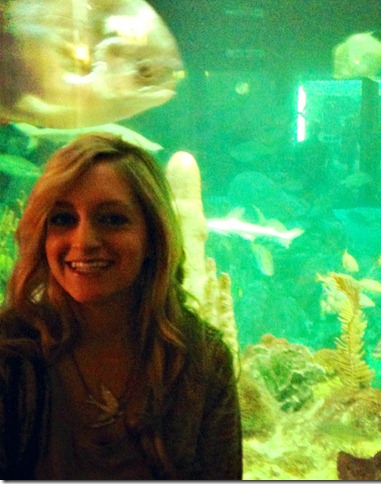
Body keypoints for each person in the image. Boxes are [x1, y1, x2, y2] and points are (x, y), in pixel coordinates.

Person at [0, 133, 242, 479]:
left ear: (153, 235)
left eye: (112, 219)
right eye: (63, 219)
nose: (84, 241)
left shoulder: (203, 360)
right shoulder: (10, 353)